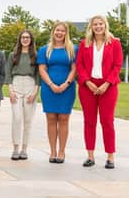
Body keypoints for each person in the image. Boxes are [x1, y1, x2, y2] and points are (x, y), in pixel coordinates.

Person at [76, 15, 123, 169]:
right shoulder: (85, 44)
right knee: (89, 122)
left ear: (105, 25)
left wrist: (107, 83)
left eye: (100, 23)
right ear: (91, 27)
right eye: (95, 24)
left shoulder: (114, 43)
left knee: (107, 121)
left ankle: (110, 157)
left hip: (108, 87)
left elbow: (117, 65)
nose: (98, 26)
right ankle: (90, 156)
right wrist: (87, 82)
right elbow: (80, 65)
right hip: (87, 87)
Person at [37, 22, 78, 164]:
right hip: (49, 89)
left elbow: (74, 69)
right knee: (51, 119)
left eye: (62, 31)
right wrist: (51, 84)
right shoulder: (44, 50)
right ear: (53, 31)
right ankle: (53, 151)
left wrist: (66, 84)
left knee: (64, 119)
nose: (59, 33)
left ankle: (61, 151)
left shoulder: (72, 49)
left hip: (67, 89)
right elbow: (42, 69)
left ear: (66, 33)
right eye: (57, 30)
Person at [5, 30, 40, 160]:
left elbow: (38, 74)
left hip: (30, 85)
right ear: (20, 39)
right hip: (16, 84)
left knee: (28, 120)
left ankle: (24, 149)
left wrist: (35, 91)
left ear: (31, 40)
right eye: (23, 37)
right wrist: (11, 89)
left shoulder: (35, 55)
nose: (25, 39)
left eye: (27, 37)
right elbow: (8, 72)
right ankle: (15, 148)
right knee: (17, 118)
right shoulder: (13, 55)